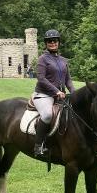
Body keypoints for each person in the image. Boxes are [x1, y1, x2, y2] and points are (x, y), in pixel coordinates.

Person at [33, 29, 75, 157]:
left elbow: (68, 79)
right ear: (46, 43)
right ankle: (38, 146)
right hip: (44, 95)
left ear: (59, 42)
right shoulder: (42, 59)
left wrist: (74, 93)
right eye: (49, 41)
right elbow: (41, 78)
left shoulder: (63, 60)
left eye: (55, 41)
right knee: (47, 115)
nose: (52, 43)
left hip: (59, 96)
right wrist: (56, 91)